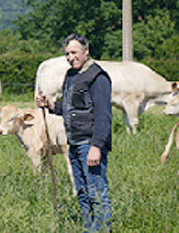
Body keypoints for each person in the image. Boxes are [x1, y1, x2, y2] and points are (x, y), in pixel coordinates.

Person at [36, 33, 112, 232]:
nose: (70, 57)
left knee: (97, 192)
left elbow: (104, 115)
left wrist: (96, 146)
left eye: (74, 52)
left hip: (89, 143)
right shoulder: (71, 75)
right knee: (83, 193)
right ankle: (88, 229)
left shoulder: (98, 77)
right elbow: (73, 108)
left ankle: (102, 229)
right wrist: (51, 105)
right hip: (74, 142)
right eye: (67, 54)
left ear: (86, 51)